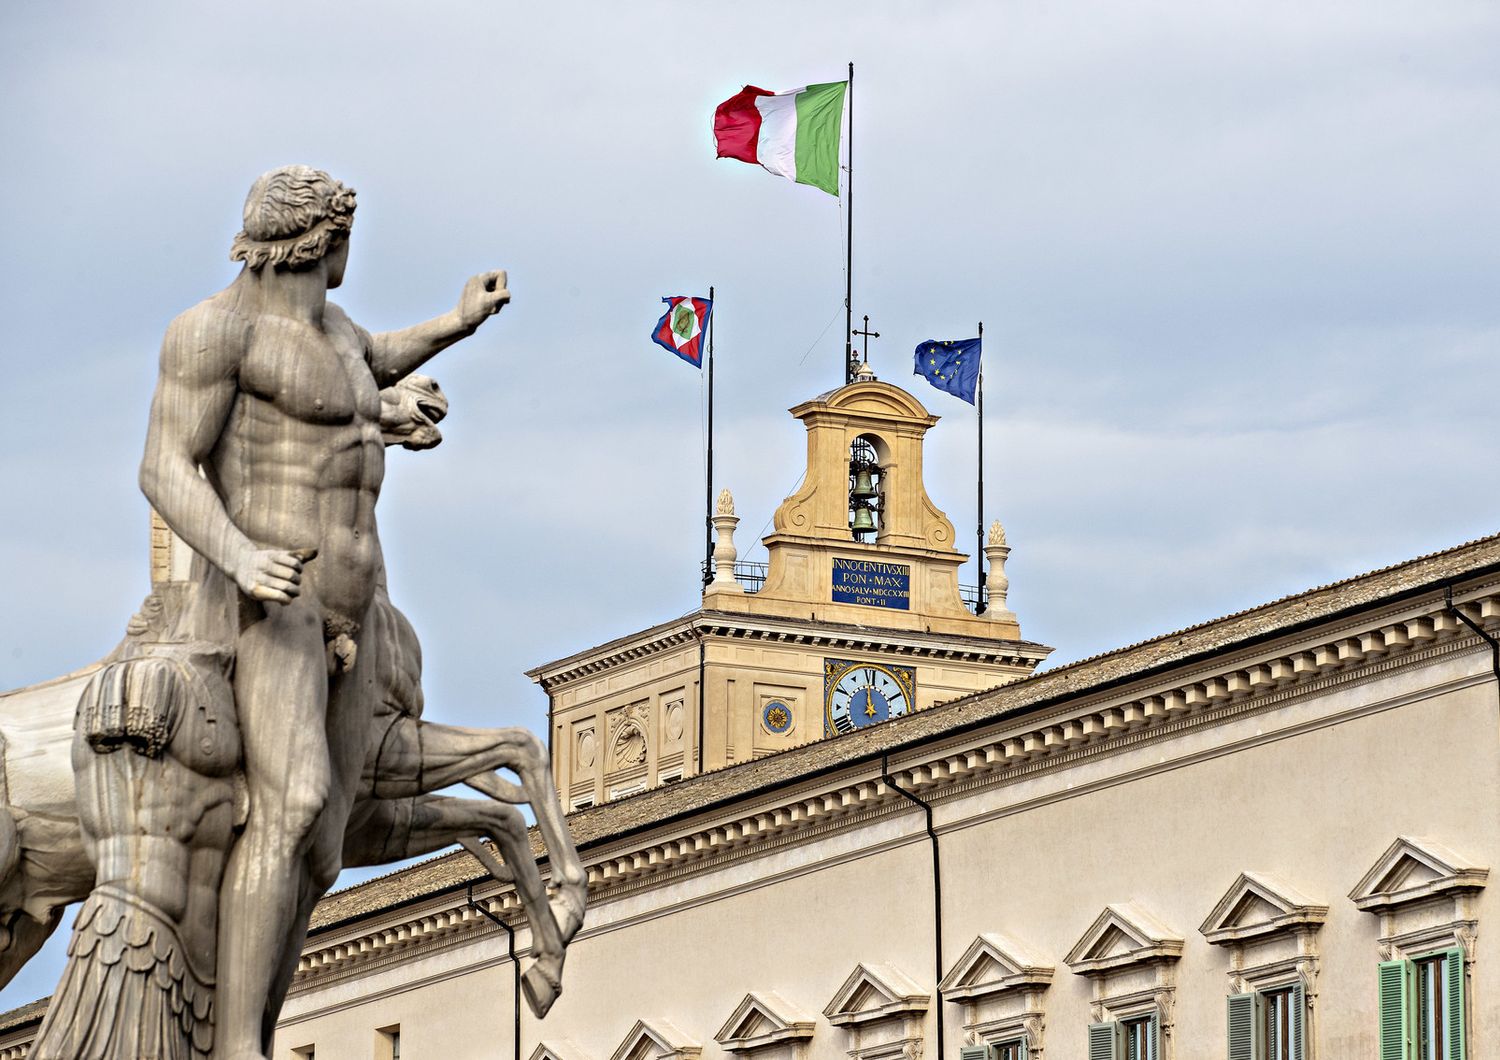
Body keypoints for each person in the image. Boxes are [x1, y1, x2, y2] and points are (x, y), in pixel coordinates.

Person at [139, 165, 509, 1060]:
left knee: (327, 845)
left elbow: (375, 363)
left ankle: (253, 1025)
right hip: (277, 601)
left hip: (356, 604)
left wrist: (456, 324)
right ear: (323, 240)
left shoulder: (336, 330)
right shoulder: (212, 332)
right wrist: (239, 557)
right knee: (294, 802)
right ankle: (236, 1048)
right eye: (349, 236)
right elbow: (163, 467)